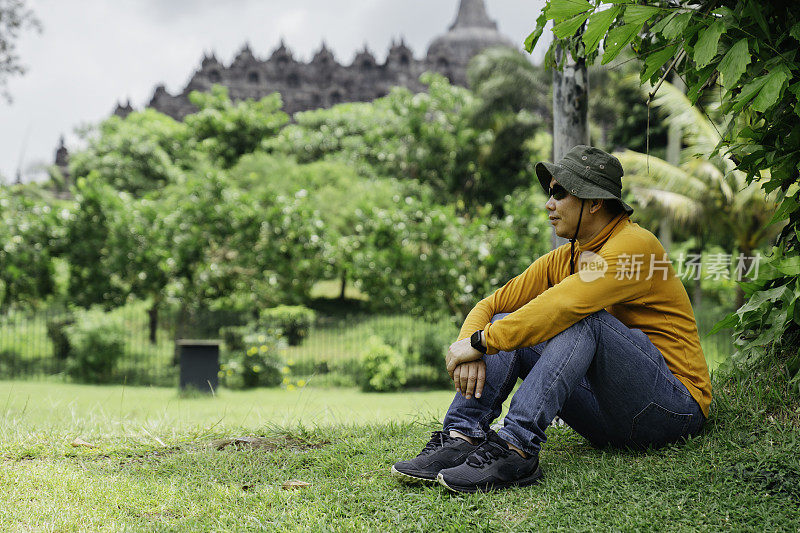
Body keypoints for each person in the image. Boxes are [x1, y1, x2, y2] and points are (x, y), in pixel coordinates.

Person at [391, 145, 711, 493]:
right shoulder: (566, 256)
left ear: (594, 202)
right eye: (550, 192)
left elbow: (563, 305)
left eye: (560, 193)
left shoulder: (635, 246)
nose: (549, 203)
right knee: (504, 318)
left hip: (672, 409)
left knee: (582, 319)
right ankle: (461, 436)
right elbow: (490, 305)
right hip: (609, 418)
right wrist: (471, 347)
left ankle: (516, 448)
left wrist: (481, 343)